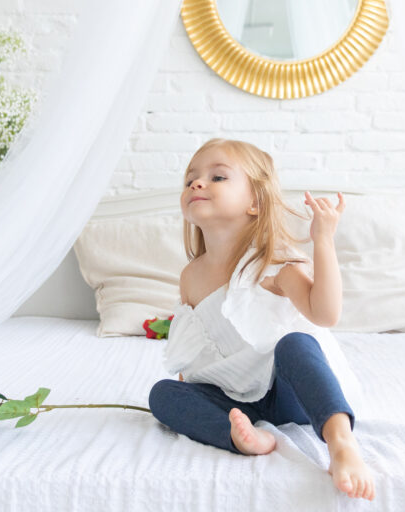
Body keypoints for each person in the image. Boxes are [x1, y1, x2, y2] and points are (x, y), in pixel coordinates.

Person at [148, 138, 375, 501]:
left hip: (292, 391)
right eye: (191, 178)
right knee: (162, 394)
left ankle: (340, 441)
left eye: (218, 177)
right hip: (239, 396)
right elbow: (197, 340)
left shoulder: (274, 260)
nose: (197, 183)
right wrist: (189, 389)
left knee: (295, 344)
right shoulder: (191, 276)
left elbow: (325, 314)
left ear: (255, 202)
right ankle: (243, 438)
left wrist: (323, 241)